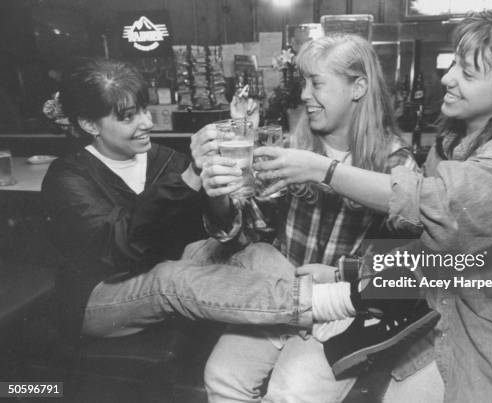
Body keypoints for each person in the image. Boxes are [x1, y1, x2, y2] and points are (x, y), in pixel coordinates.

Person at [254, 6, 492, 402]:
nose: (447, 78)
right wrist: (346, 273)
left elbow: (441, 211)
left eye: (468, 73)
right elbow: (447, 257)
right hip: (462, 317)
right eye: (454, 64)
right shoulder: (458, 141)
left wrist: (325, 171)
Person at [197, 34, 436, 403]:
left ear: (358, 87)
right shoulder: (293, 145)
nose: (305, 95)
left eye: (317, 83)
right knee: (222, 375)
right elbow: (253, 227)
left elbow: (408, 261)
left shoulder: (395, 163)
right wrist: (219, 201)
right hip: (279, 294)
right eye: (304, 83)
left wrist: (340, 272)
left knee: (291, 392)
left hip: (340, 312)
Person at [40, 58, 318, 342]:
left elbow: (212, 231)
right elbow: (117, 250)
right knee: (170, 277)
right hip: (97, 297)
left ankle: (329, 312)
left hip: (167, 269)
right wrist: (188, 177)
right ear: (89, 124)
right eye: (127, 117)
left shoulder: (164, 158)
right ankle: (323, 307)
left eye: (145, 110)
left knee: (255, 252)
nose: (147, 123)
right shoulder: (67, 177)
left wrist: (220, 185)